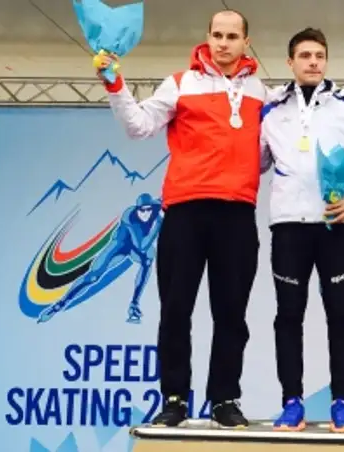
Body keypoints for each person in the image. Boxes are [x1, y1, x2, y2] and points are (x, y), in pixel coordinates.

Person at [95, 9, 268, 428]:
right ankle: (174, 398)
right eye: (217, 35)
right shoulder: (180, 83)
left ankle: (224, 399)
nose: (223, 43)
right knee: (175, 310)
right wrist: (115, 85)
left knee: (232, 314)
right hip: (185, 212)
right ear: (207, 36)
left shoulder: (262, 91)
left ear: (246, 42)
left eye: (232, 36)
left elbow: (266, 154)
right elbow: (138, 126)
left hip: (237, 213)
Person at [259, 28, 344, 433]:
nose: (313, 62)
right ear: (290, 62)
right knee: (288, 316)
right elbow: (254, 162)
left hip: (336, 224)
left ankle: (343, 402)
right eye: (304, 55)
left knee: (340, 315)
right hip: (289, 225)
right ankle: (292, 402)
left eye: (319, 55)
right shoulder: (270, 111)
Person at [36, 193, 162, 325]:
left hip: (137, 247)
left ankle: (134, 304)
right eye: (142, 210)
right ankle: (60, 304)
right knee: (93, 276)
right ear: (137, 209)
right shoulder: (129, 216)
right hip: (120, 246)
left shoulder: (155, 209)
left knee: (148, 260)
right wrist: (158, 224)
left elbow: (165, 198)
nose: (146, 214)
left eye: (149, 209)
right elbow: (141, 246)